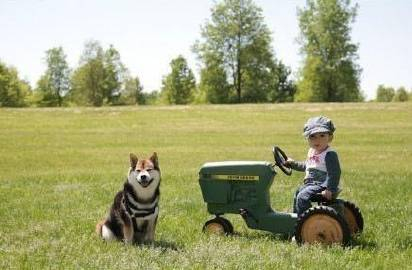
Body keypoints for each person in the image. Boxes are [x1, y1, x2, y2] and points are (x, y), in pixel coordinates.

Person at [285, 116, 341, 216]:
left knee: (303, 196)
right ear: (308, 138)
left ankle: (306, 220)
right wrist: (293, 164)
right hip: (311, 184)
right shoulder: (312, 151)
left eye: (322, 135)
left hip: (321, 184)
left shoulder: (329, 154)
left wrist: (330, 189)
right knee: (298, 193)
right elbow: (308, 166)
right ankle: (296, 218)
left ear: (330, 137)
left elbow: (334, 173)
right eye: (312, 136)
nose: (317, 140)